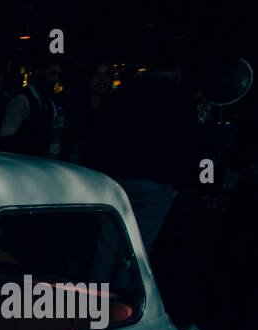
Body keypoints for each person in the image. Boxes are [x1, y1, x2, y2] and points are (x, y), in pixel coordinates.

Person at [100, 50, 197, 252]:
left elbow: (107, 133)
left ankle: (98, 283)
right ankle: (123, 284)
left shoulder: (125, 91)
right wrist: (179, 184)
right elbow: (186, 142)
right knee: (136, 250)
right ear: (177, 68)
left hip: (118, 177)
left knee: (107, 244)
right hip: (156, 180)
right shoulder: (181, 97)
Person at [0, 60, 62, 157]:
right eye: (52, 73)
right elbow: (5, 137)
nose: (56, 79)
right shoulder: (22, 100)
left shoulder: (50, 104)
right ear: (38, 71)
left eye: (58, 74)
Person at [62, 59, 113, 167]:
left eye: (106, 75)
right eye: (97, 75)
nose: (102, 80)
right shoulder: (72, 110)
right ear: (88, 77)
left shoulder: (113, 110)